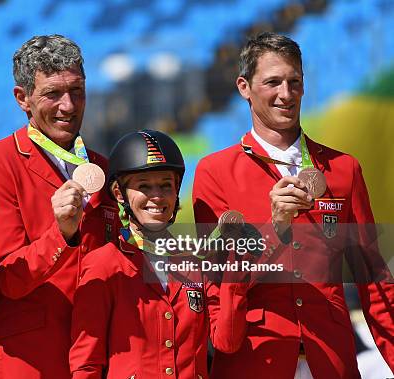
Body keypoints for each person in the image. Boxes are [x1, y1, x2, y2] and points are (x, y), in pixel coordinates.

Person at [192, 32, 394, 378]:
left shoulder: (344, 169)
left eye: (294, 82)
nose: (286, 94)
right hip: (255, 359)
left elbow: (374, 280)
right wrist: (275, 227)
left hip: (331, 360)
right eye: (272, 82)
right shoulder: (215, 172)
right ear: (244, 87)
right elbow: (219, 282)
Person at [0, 34, 120, 378]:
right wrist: (62, 235)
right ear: (22, 98)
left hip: (97, 358)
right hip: (26, 362)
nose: (68, 106)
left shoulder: (104, 167)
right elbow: (7, 280)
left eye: (77, 91)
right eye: (53, 94)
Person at [69, 130, 250, 378]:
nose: (157, 196)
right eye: (144, 186)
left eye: (166, 185)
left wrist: (235, 266)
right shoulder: (103, 264)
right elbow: (85, 364)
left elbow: (227, 341)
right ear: (120, 194)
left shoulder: (196, 263)